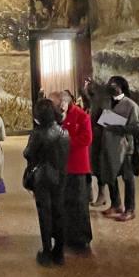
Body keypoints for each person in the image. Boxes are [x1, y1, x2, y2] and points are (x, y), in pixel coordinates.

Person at [24, 98, 70, 266]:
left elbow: (28, 153)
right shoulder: (64, 133)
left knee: (45, 214)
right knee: (59, 212)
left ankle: (47, 252)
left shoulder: (38, 134)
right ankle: (59, 252)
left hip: (43, 177)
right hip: (61, 175)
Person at [97, 76, 139, 222]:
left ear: (121, 87)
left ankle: (130, 209)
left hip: (125, 148)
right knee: (110, 175)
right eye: (110, 83)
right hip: (108, 146)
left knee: (128, 179)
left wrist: (117, 126)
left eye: (115, 84)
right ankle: (116, 204)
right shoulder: (106, 102)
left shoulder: (130, 105)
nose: (111, 86)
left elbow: (138, 127)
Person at [55, 91, 93, 254]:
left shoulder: (81, 116)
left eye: (58, 105)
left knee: (79, 204)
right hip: (61, 167)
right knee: (63, 203)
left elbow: (86, 139)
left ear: (65, 102)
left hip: (77, 167)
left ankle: (81, 238)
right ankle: (65, 235)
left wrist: (65, 142)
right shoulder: (56, 117)